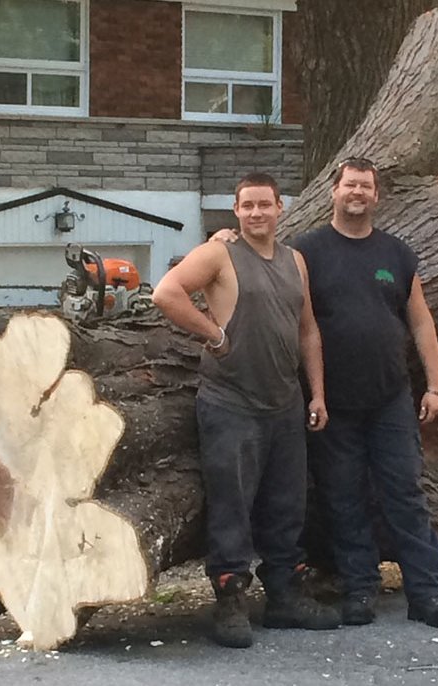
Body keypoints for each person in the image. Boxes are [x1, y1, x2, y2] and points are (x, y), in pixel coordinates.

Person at [214, 158, 438, 629]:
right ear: (333, 191)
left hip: (391, 398)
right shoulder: (306, 253)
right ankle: (359, 589)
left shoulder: (397, 254)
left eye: (365, 186)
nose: (357, 192)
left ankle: (428, 592)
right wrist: (222, 238)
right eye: (350, 184)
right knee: (344, 498)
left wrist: (435, 386)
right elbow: (262, 265)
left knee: (405, 493)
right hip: (333, 404)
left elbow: (421, 320)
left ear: (376, 195)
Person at [152, 173, 340, 649]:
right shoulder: (219, 253)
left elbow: (308, 330)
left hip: (284, 403)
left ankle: (283, 596)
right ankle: (230, 599)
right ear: (235, 211)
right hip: (230, 402)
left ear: (281, 208)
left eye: (265, 205)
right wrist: (213, 334)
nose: (257, 213)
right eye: (247, 206)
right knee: (232, 504)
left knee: (286, 503)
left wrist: (316, 393)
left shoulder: (295, 261)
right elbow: (166, 293)